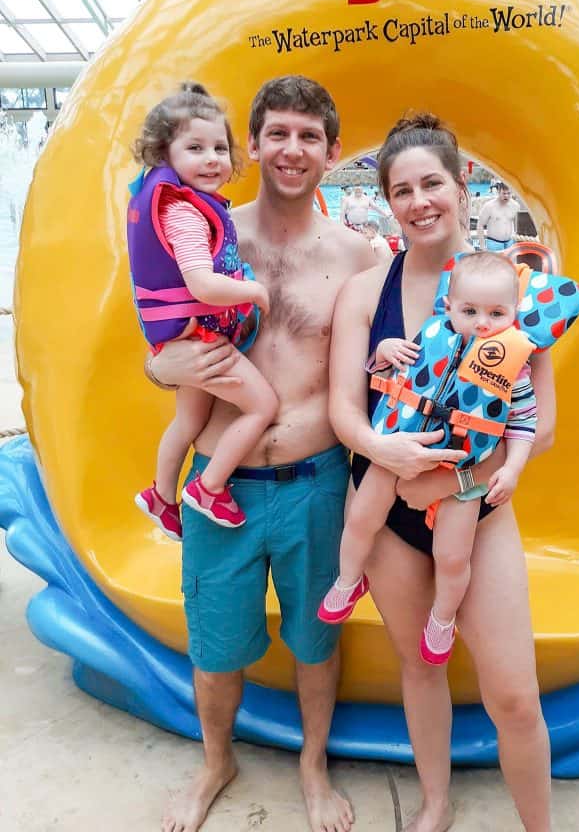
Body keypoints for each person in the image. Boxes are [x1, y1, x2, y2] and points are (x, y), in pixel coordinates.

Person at [148, 76, 374, 832]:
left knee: (315, 636)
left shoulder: (357, 254)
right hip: (223, 482)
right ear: (251, 145)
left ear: (333, 153)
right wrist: (161, 368)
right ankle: (216, 761)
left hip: (316, 480)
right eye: (277, 132)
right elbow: (158, 345)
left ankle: (312, 764)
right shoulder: (203, 235)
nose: (292, 148)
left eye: (310, 136)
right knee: (214, 639)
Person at [329, 114, 555, 832]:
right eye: (402, 189)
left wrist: (456, 477)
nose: (420, 200)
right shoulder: (367, 293)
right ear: (387, 203)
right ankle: (435, 801)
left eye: (432, 182)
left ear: (461, 185)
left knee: (515, 696)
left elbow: (540, 424)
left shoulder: (515, 291)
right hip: (390, 511)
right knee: (419, 666)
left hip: (474, 509)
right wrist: (387, 453)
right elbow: (345, 412)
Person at [319, 251, 537, 670]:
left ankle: (442, 618)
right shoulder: (430, 335)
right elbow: (379, 374)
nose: (482, 323)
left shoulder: (516, 367)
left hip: (460, 471)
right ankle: (348, 581)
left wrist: (512, 468)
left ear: (514, 314)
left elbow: (525, 425)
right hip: (400, 448)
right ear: (449, 307)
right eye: (470, 311)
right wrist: (383, 348)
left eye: (497, 313)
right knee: (361, 518)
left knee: (453, 558)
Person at [129, 83, 277, 539]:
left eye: (218, 147)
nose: (211, 158)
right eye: (195, 148)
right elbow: (201, 283)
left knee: (188, 420)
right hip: (202, 337)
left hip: (183, 334)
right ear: (163, 154)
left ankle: (161, 496)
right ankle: (209, 488)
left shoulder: (179, 204)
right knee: (262, 406)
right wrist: (253, 291)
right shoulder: (185, 213)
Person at [477, 182, 521, 251]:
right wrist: (482, 246)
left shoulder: (515, 206)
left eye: (508, 193)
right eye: (504, 193)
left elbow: (517, 226)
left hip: (509, 243)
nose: (506, 196)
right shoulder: (489, 206)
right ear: (498, 192)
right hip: (494, 243)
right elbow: (480, 225)